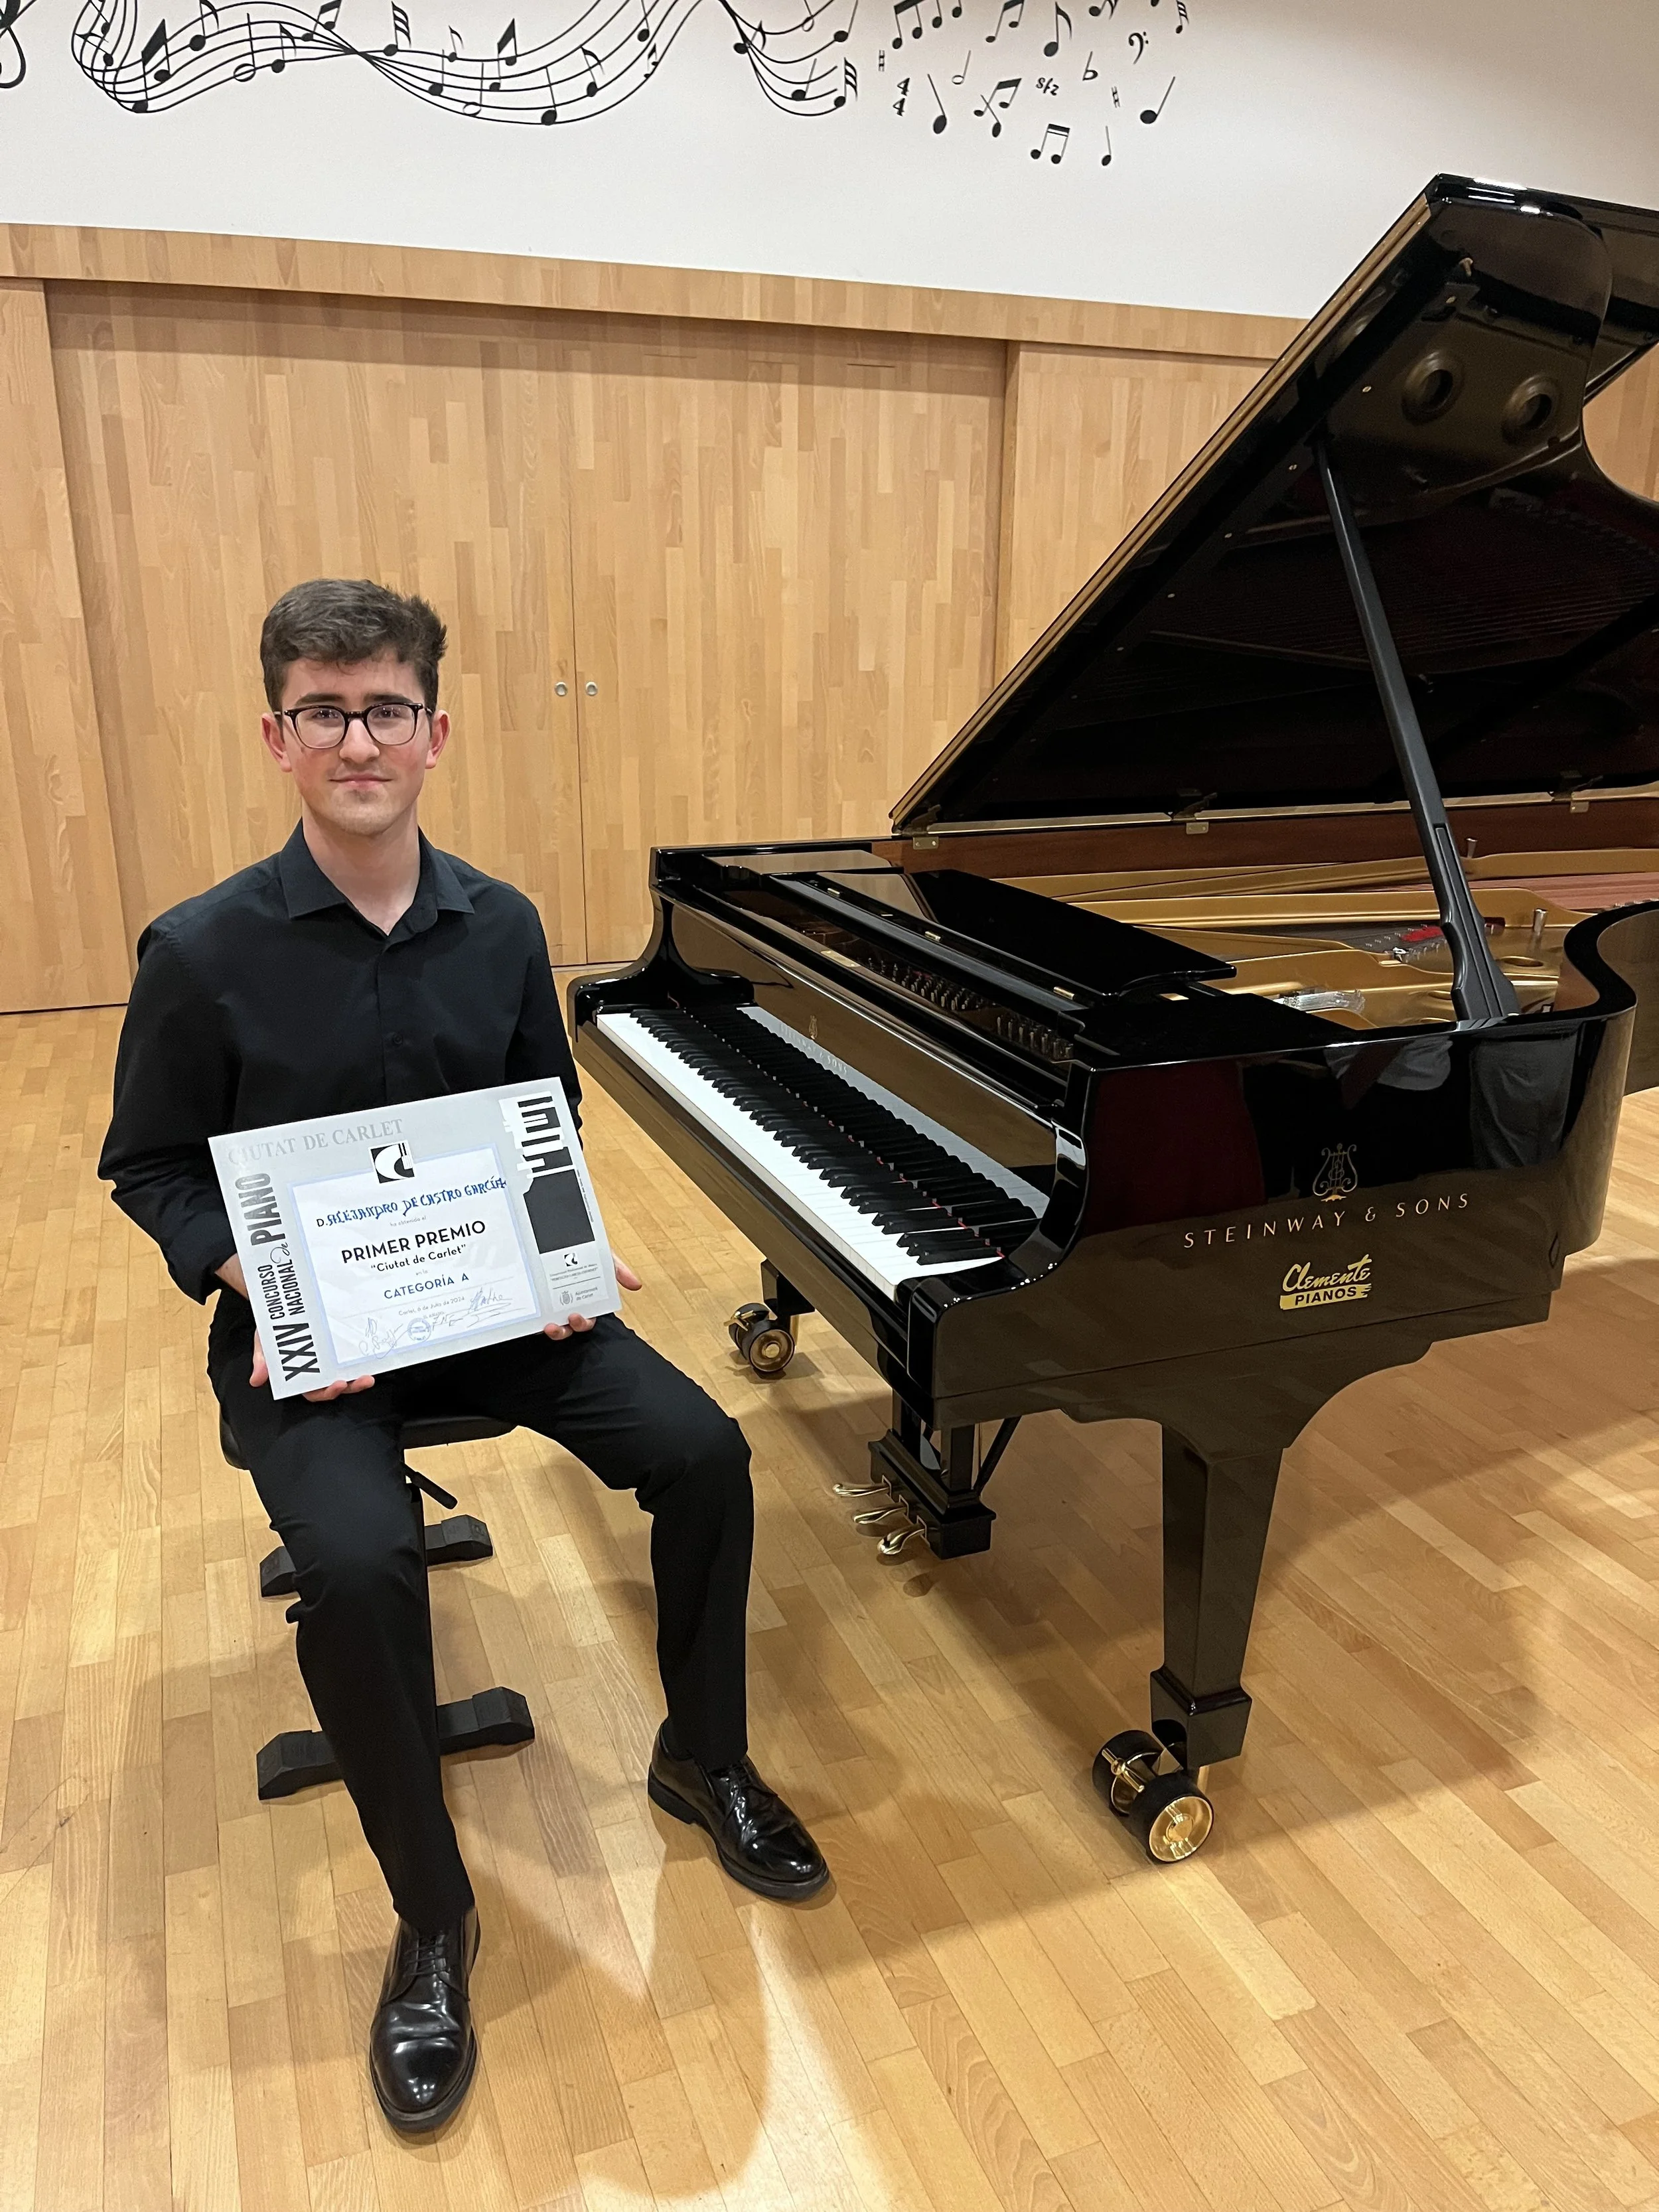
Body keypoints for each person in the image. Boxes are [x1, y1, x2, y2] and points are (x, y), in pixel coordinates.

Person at [99, 578, 828, 2134]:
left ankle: (704, 1757)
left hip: (492, 1313)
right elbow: (150, 1168)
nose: (357, 738)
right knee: (359, 1566)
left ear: (437, 729)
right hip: (316, 1346)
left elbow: (533, 1115)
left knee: (705, 1452)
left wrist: (568, 1252)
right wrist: (262, 1273)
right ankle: (433, 1915)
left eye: (385, 709)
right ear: (277, 734)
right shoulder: (200, 949)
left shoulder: (498, 921)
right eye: (322, 709)